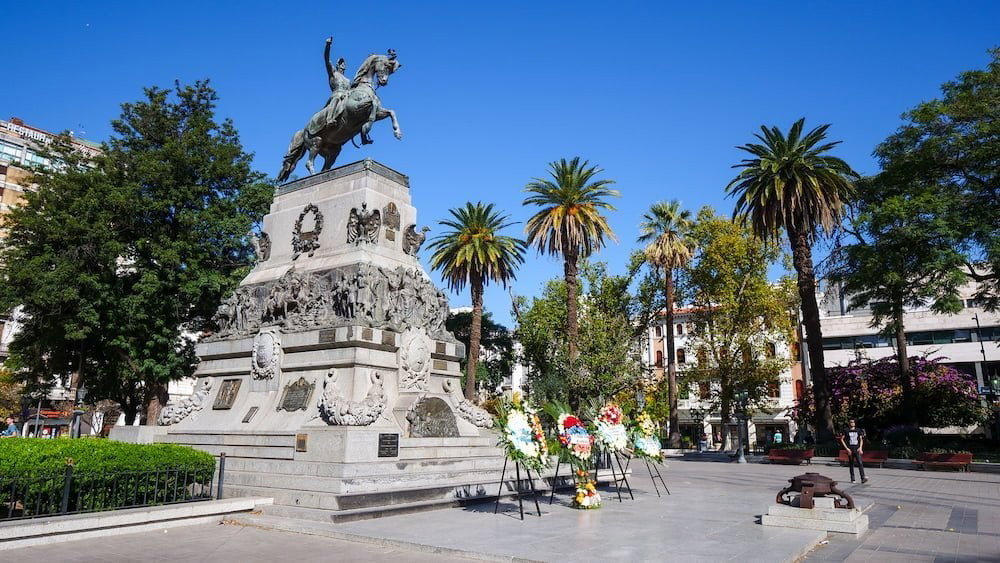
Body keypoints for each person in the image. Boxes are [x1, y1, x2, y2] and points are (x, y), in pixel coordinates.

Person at [838, 419, 868, 484]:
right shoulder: (846, 430)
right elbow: (841, 439)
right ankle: (853, 478)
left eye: (853, 422)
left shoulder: (858, 430)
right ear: (849, 423)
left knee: (860, 463)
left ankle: (863, 478)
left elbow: (861, 440)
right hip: (850, 449)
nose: (852, 423)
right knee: (851, 464)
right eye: (851, 422)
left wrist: (860, 448)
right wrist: (846, 448)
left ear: (855, 423)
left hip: (857, 448)